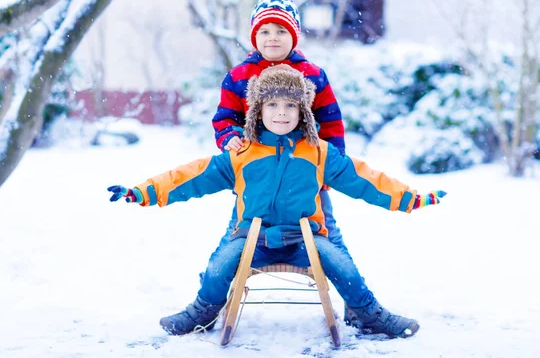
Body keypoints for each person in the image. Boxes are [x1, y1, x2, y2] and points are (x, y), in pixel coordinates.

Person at [107, 65, 447, 339]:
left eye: (290, 105)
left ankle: (369, 314)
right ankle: (203, 311)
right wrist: (143, 192)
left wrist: (410, 199)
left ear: (303, 111)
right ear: (257, 110)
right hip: (251, 239)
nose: (281, 113)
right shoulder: (241, 153)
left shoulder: (318, 152)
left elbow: (364, 180)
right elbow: (191, 177)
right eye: (272, 105)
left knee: (343, 266)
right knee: (217, 267)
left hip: (305, 239)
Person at [209, 0, 414, 334]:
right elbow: (224, 118)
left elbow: (330, 120)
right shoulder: (240, 76)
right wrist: (230, 139)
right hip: (256, 180)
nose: (272, 38)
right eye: (264, 31)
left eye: (280, 31)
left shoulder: (312, 75)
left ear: (294, 35)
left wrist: (330, 164)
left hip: (308, 176)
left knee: (331, 242)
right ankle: (209, 304)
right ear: (254, 35)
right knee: (233, 242)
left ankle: (361, 308)